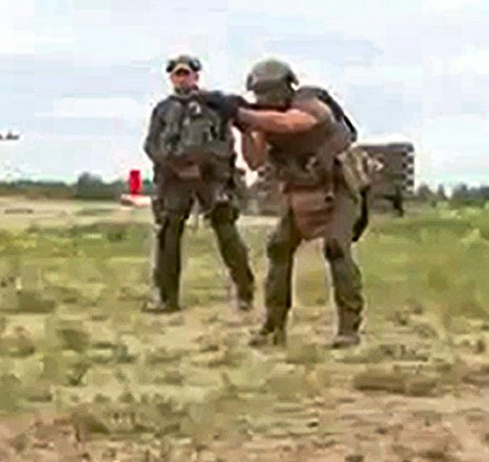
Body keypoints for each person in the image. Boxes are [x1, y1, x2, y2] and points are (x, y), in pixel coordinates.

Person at [220, 59, 365, 348]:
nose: (266, 97)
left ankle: (349, 328)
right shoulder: (262, 118)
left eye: (270, 90)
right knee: (278, 247)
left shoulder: (310, 102)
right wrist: (243, 126)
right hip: (299, 190)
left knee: (336, 248)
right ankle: (274, 327)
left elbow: (293, 122)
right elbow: (255, 160)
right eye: (259, 92)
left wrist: (243, 113)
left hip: (337, 186)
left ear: (287, 86)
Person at [142, 54, 255, 312]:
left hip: (209, 178)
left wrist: (205, 165)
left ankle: (245, 292)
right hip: (174, 180)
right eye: (177, 74)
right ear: (171, 78)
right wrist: (175, 165)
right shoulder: (163, 109)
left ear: (196, 75)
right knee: (168, 235)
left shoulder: (213, 105)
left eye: (186, 73)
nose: (182, 78)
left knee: (227, 232)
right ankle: (167, 298)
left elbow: (226, 144)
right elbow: (151, 144)